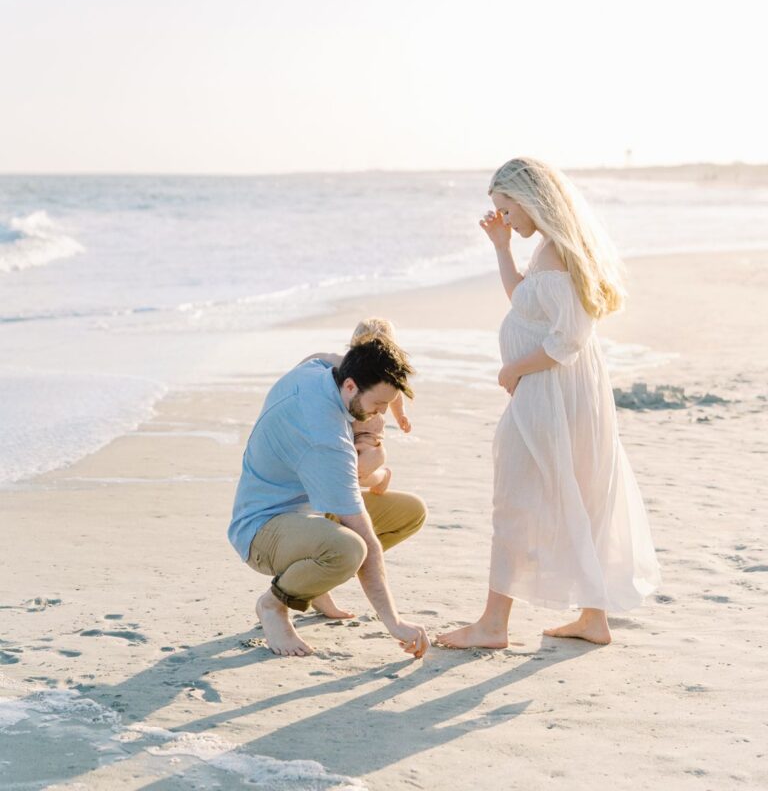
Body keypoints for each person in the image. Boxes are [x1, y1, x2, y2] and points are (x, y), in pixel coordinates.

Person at [437, 156, 660, 649]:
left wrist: (514, 368)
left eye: (507, 209)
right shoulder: (548, 250)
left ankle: (494, 624)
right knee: (577, 490)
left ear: (530, 200)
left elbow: (569, 339)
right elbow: (523, 300)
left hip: (552, 389)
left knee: (517, 494)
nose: (505, 219)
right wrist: (500, 248)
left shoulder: (558, 253)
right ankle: (592, 616)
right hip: (555, 388)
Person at [228, 336, 429, 658]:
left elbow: (325, 355)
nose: (380, 414)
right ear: (350, 386)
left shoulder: (316, 371)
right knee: (351, 548)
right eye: (377, 404)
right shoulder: (327, 441)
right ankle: (274, 604)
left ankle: (313, 583)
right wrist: (394, 621)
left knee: (410, 511)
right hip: (261, 531)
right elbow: (366, 540)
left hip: (309, 517)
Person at [300, 318, 413, 496]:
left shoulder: (389, 376)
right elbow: (318, 361)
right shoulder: (344, 365)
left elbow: (396, 396)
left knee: (356, 471)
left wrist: (401, 416)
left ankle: (382, 477)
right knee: (335, 466)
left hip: (367, 429)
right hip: (345, 425)